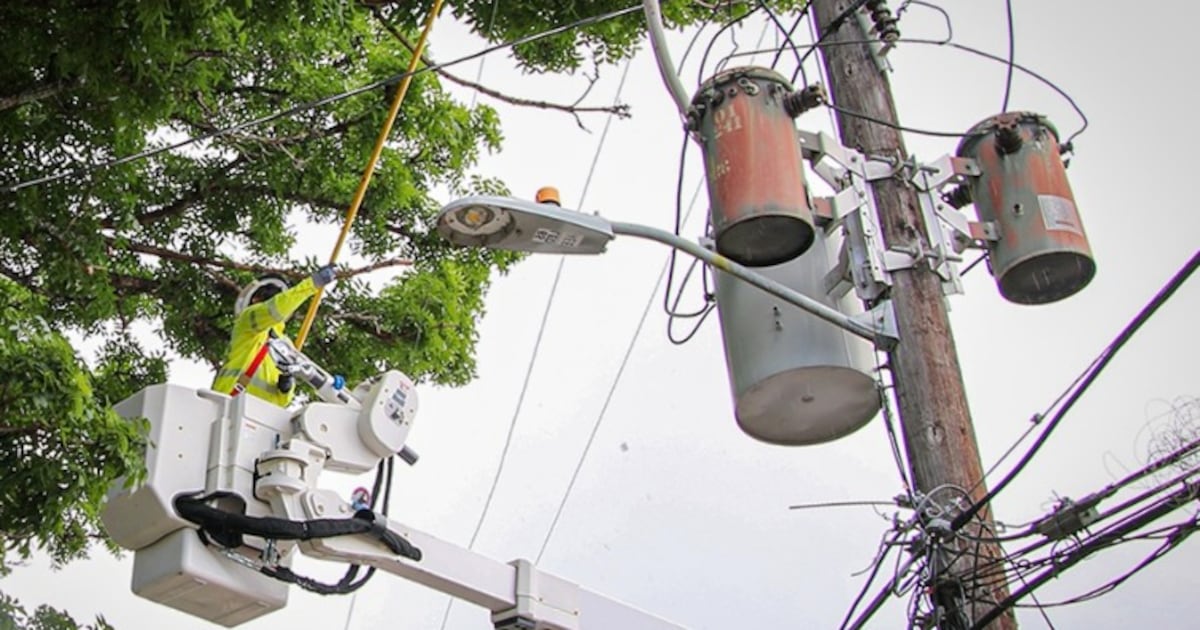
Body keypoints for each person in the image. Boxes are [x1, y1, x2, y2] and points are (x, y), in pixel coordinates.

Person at [211, 265, 336, 406]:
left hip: (265, 414)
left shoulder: (284, 344)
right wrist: (313, 283)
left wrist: (286, 387)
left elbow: (285, 400)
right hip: (231, 404)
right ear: (255, 300)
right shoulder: (247, 320)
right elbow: (275, 309)